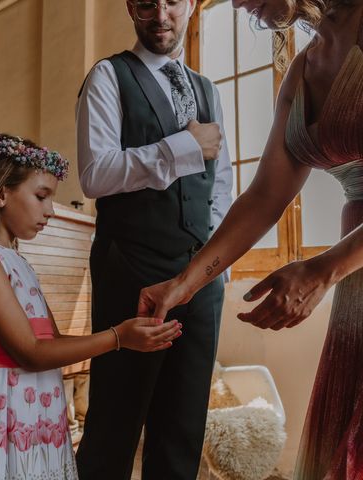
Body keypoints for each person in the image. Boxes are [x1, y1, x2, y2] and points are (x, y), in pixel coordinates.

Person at [137, 0, 363, 477]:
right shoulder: (302, 68)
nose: (237, 2)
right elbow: (263, 198)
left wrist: (326, 268)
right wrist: (185, 283)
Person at [0, 133, 183, 480]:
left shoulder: (18, 261)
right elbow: (31, 352)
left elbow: (54, 343)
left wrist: (127, 330)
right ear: (1, 193)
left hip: (35, 405)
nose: (49, 210)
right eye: (41, 196)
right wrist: (118, 337)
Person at [74, 0, 233, 477]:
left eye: (172, 2)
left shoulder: (207, 90)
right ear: (129, 7)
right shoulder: (108, 76)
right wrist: (185, 147)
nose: (160, 15)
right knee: (113, 427)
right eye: (146, 3)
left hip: (200, 279)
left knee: (182, 429)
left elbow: (220, 184)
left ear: (191, 5)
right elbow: (94, 174)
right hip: (130, 271)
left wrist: (211, 263)